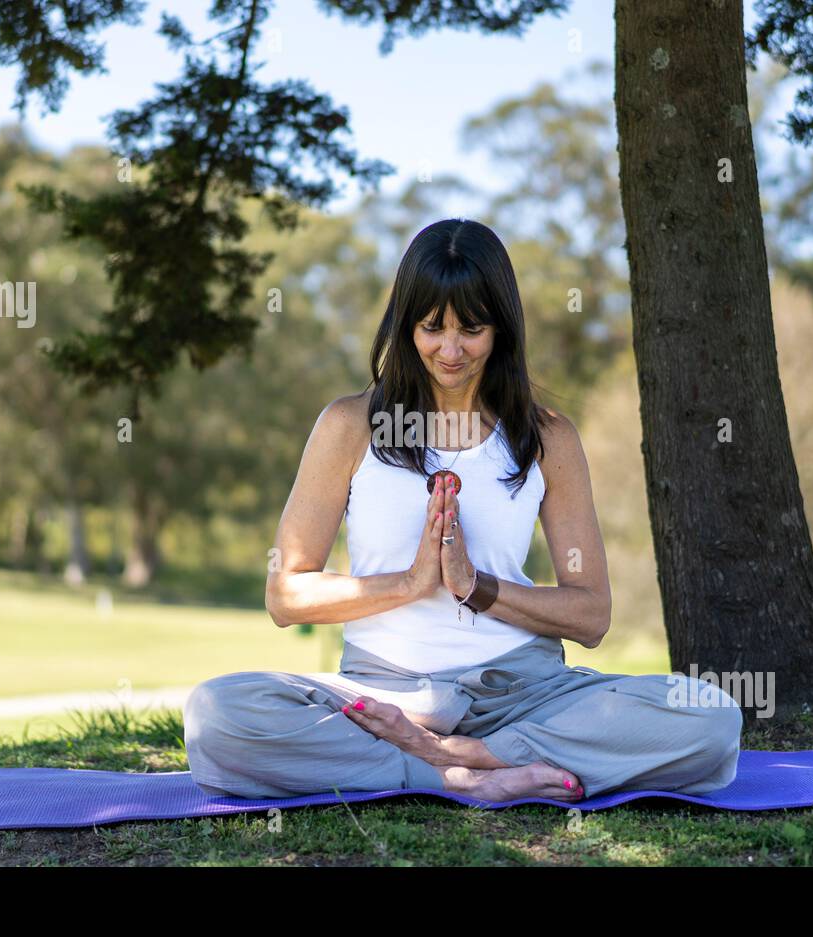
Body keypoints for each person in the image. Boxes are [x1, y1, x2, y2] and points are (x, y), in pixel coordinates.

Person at [183, 218, 742, 802]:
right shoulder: (349, 426)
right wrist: (413, 581)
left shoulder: (549, 438)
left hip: (526, 694)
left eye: (471, 329)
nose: (450, 351)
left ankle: (473, 757)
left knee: (710, 716)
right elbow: (286, 595)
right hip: (384, 696)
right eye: (432, 328)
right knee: (217, 714)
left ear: (501, 327)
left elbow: (590, 615)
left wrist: (476, 587)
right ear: (406, 325)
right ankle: (456, 776)